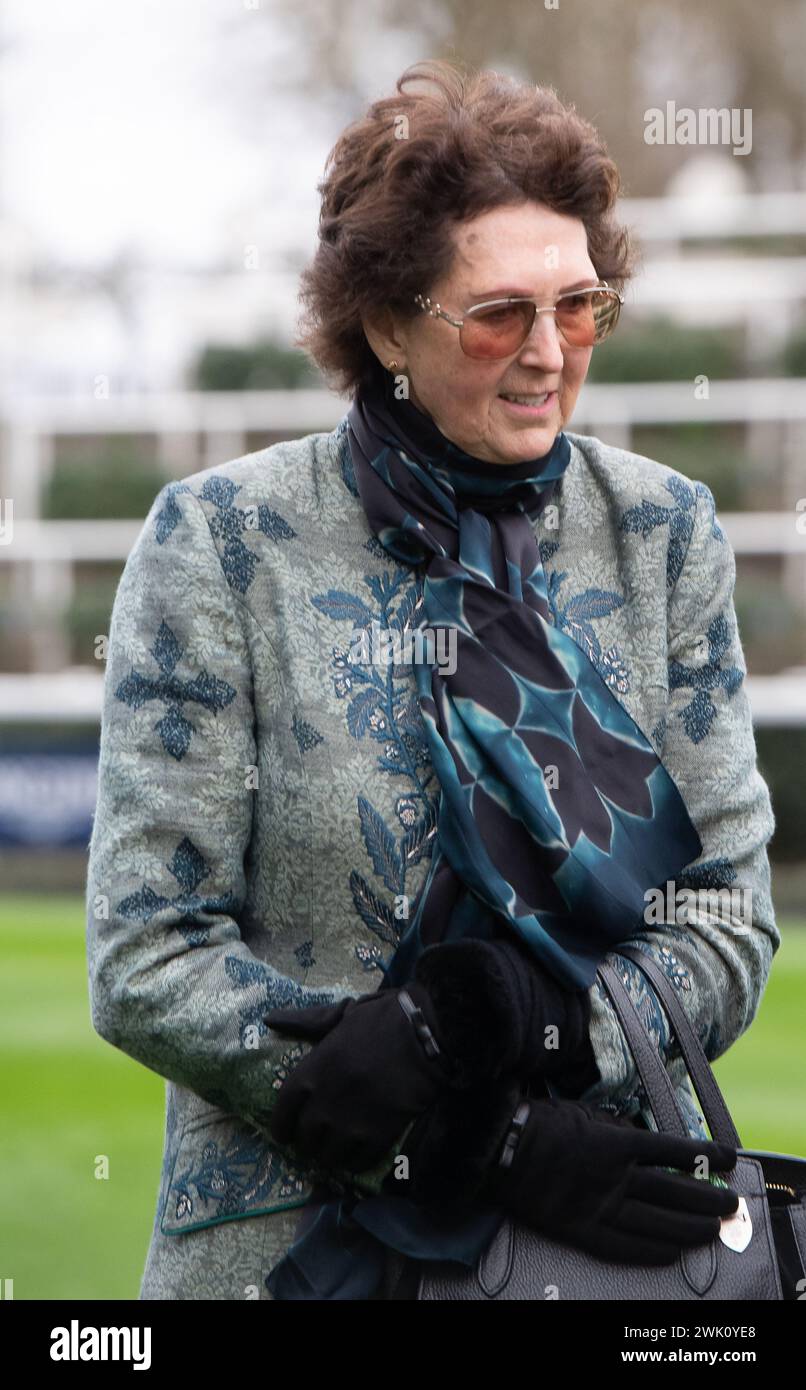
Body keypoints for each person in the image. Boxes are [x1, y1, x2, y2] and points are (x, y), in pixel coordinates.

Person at [86, 58, 777, 1301]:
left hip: (583, 1251)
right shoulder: (221, 544)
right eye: (498, 313)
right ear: (385, 323)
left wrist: (542, 1027)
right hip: (278, 1252)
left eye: (578, 307)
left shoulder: (664, 534)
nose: (548, 353)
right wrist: (478, 1142)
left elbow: (726, 917)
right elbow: (147, 951)